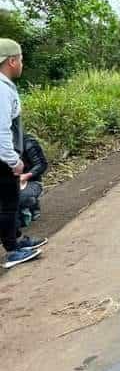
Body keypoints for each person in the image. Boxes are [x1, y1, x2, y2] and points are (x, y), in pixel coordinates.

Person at [0, 38, 46, 269]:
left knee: (9, 203)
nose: (22, 64)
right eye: (20, 59)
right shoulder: (1, 89)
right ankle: (12, 251)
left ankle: (16, 244)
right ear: (11, 60)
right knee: (8, 205)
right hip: (2, 159)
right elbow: (2, 129)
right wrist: (12, 160)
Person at [17, 132, 47, 225]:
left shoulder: (27, 142)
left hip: (31, 182)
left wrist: (26, 176)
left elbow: (41, 164)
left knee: (18, 197)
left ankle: (31, 206)